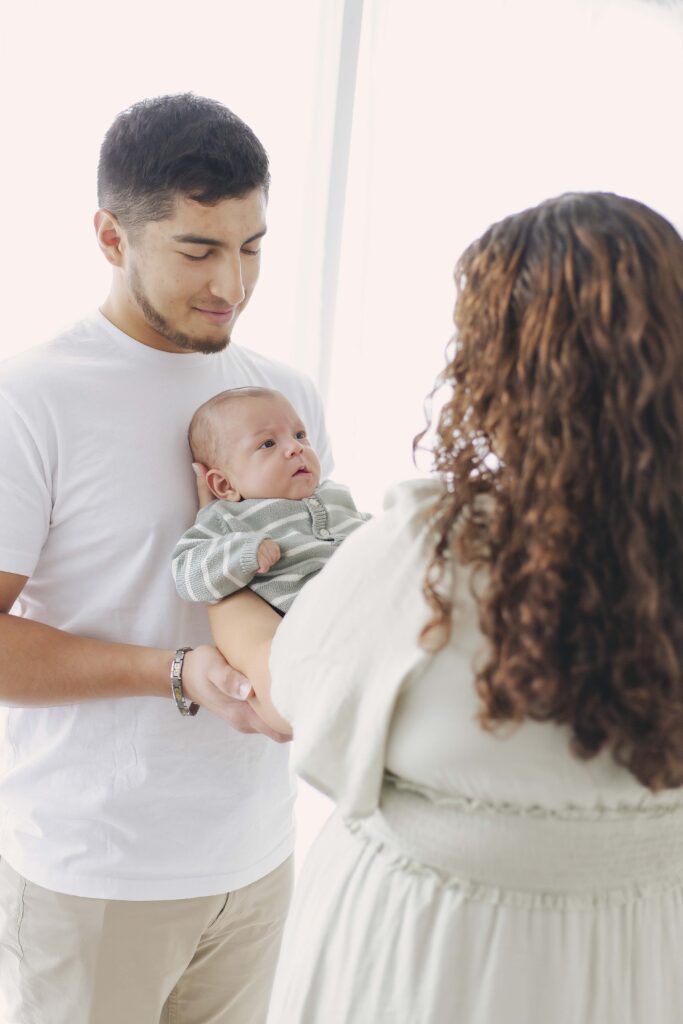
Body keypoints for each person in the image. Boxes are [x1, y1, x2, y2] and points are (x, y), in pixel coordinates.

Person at [209, 192, 683, 1022]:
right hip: (644, 953)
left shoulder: (437, 548)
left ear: (498, 368)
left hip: (439, 961)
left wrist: (225, 580)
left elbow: (289, 696)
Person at [0, 93, 332, 1024]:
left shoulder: (281, 397)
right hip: (95, 874)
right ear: (111, 236)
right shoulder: (31, 400)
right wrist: (176, 671)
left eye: (252, 246)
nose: (232, 281)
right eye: (197, 250)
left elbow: (311, 582)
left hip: (258, 858)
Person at [172, 386, 370, 615]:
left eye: (299, 435)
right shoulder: (228, 517)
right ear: (225, 485)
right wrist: (243, 552)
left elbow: (372, 531)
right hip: (323, 619)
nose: (296, 447)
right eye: (268, 444)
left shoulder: (334, 494)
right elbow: (187, 576)